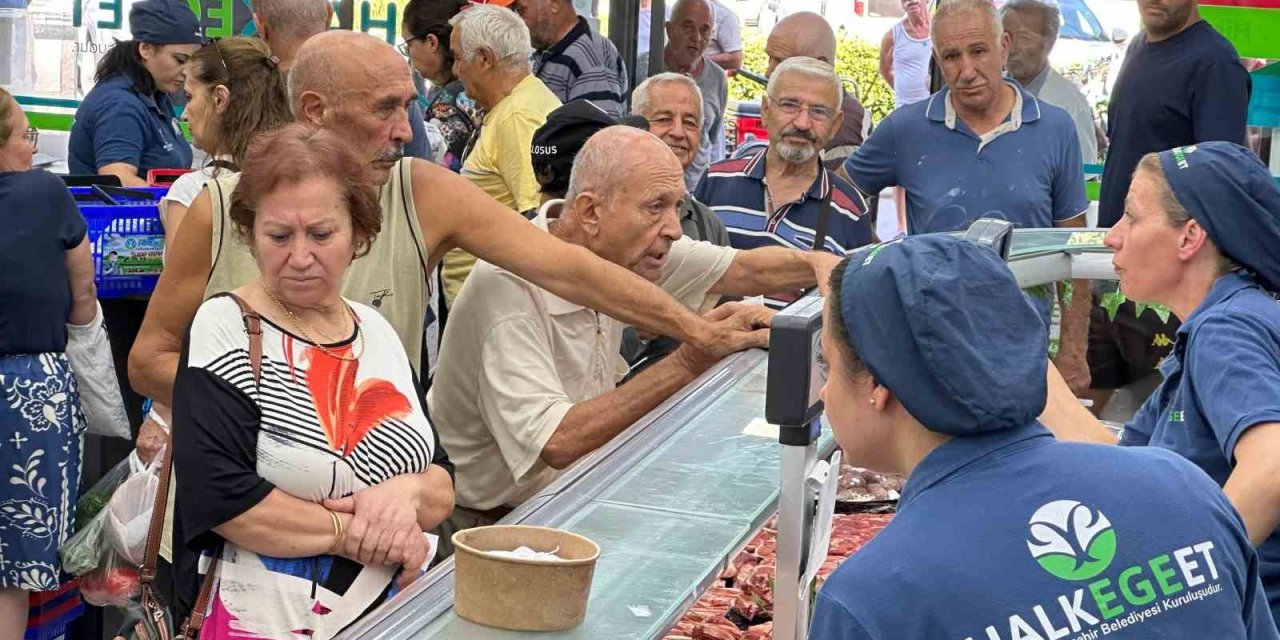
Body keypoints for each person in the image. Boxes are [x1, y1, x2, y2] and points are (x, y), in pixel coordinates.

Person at [128, 30, 761, 456]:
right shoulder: (218, 208)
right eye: (384, 109)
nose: (405, 130)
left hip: (377, 521)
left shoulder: (420, 192)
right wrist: (282, 416)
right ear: (315, 111)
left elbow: (568, 268)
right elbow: (148, 360)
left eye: (407, 105)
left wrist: (694, 331)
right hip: (232, 525)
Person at [807, 233, 1280, 640]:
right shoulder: (1183, 486)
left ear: (878, 383)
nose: (825, 391)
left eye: (828, 363)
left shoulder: (872, 599)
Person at [427, 126, 836, 550]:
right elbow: (558, 441)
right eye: (656, 207)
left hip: (565, 502)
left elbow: (744, 269)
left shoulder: (626, 248)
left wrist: (818, 264)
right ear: (590, 212)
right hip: (482, 528)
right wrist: (689, 361)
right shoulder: (508, 286)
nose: (674, 229)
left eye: (677, 206)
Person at [170, 124, 455, 637]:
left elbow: (441, 479)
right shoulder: (225, 327)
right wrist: (358, 533)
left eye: (321, 235)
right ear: (250, 236)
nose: (300, 257)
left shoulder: (376, 331)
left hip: (387, 616)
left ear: (359, 235)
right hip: (262, 620)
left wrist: (406, 494)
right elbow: (222, 499)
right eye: (279, 236)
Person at [1039, 142, 1280, 624]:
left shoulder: (1224, 330)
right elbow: (1122, 465)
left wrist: (1184, 589)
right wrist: (1024, 363)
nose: (1112, 237)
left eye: (1130, 217)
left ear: (1190, 237)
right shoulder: (1225, 322)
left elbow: (1273, 464)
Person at [840, 0, 1092, 393]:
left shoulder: (1055, 128)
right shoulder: (907, 129)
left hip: (1023, 353)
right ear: (937, 58)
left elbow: (1074, 247)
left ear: (1003, 47)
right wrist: (883, 262)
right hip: (927, 352)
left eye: (978, 51)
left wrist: (1073, 351)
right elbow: (839, 198)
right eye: (952, 56)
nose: (967, 70)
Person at [1088, 0, 1250, 412]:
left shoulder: (1215, 63)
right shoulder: (1137, 47)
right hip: (1114, 267)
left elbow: (1217, 188)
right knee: (1089, 407)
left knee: (1165, 420)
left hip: (1168, 288)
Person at [0, 89, 97, 640]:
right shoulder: (43, 192)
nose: (32, 148)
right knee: (11, 568)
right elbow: (83, 295)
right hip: (29, 395)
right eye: (25, 135)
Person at [697, 57, 872, 308]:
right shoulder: (716, 181)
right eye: (790, 105)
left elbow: (853, 306)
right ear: (765, 110)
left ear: (835, 125)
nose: (802, 123)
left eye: (819, 111)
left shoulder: (849, 210)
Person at [442, 4, 561, 308]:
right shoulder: (518, 104)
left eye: (458, 58)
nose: (455, 70)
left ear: (484, 59)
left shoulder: (517, 116)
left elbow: (537, 218)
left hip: (495, 306)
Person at [159, 37, 292, 255]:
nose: (184, 114)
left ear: (220, 99)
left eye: (189, 97)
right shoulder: (299, 177)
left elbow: (181, 277)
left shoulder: (194, 190)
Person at [254, 0, 434, 161]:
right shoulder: (385, 82)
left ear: (260, 27)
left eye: (400, 106)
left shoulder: (246, 96)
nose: (404, 132)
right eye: (384, 108)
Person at [68, 0, 202, 185]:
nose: (186, 71)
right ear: (146, 49)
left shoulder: (156, 95)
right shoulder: (120, 106)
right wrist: (174, 202)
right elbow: (118, 180)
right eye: (179, 59)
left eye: (192, 62)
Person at [732, 12, 868, 174]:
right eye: (770, 58)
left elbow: (828, 188)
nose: (768, 72)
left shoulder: (846, 128)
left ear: (820, 64)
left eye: (781, 61)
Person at [631, 73, 730, 245]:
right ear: (634, 125)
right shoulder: (608, 208)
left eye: (689, 123)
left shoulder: (709, 225)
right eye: (664, 119)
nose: (678, 132)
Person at [637, 0, 727, 190]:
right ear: (669, 30)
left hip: (697, 190)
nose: (696, 37)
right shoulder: (641, 68)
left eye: (705, 30)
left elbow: (712, 137)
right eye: (688, 27)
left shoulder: (717, 78)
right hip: (647, 184)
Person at [1000, 0, 1099, 164]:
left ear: (1050, 42)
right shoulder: (989, 90)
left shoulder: (1070, 105)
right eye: (1006, 36)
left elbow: (1085, 172)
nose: (1012, 48)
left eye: (1024, 38)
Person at [502, 0, 628, 116]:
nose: (518, 21)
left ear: (554, 4)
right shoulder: (551, 51)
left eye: (521, 10)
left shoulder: (589, 57)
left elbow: (600, 129)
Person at [400, 0, 481, 173]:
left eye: (408, 45)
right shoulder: (481, 87)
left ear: (431, 42)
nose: (408, 54)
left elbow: (434, 175)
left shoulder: (446, 105)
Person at [879, 0, 931, 109]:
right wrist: (904, 92)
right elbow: (884, 70)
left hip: (936, 106)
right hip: (906, 108)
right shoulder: (891, 36)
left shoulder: (940, 28)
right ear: (902, 4)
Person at [704, 0, 743, 72]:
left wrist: (697, 61)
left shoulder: (725, 16)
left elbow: (735, 60)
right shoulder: (683, 7)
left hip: (707, 77)